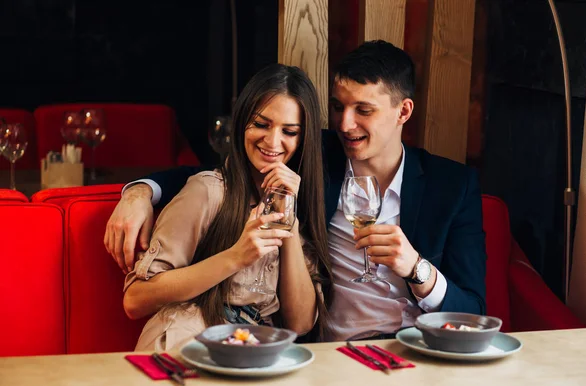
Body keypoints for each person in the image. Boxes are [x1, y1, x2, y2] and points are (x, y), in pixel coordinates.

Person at [106, 40, 486, 342]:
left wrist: (417, 269)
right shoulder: (312, 154)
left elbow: (474, 311)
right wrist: (141, 191)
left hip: (422, 348)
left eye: (363, 110)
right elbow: (224, 172)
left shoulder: (452, 186)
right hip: (337, 353)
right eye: (338, 107)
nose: (345, 124)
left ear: (403, 111)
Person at [120, 63, 333, 351]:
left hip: (254, 347)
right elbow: (135, 299)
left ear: (303, 138)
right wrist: (235, 257)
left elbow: (301, 323)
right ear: (242, 120)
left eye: (289, 131)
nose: (272, 141)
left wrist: (289, 220)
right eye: (261, 124)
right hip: (188, 338)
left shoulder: (302, 199)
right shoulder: (207, 191)